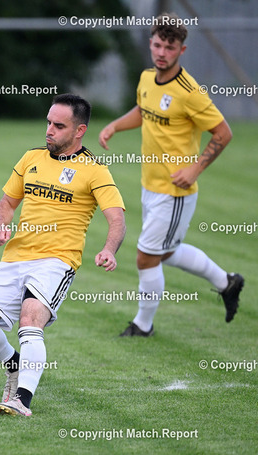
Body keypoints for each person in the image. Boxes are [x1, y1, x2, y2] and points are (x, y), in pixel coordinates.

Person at [0, 94, 126, 417]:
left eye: (59, 126)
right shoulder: (31, 158)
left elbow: (117, 218)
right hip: (15, 257)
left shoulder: (94, 171)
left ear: (79, 131)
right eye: (48, 122)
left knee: (30, 319)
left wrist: (109, 249)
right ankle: (14, 363)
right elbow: (7, 203)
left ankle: (21, 399)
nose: (49, 130)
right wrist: (1, 226)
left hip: (57, 261)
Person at [98, 12, 243, 337]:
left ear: (182, 50)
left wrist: (195, 169)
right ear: (151, 43)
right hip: (149, 185)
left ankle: (143, 325)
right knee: (166, 251)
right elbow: (144, 110)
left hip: (174, 192)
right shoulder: (147, 77)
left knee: (146, 257)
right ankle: (227, 282)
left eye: (170, 47)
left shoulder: (190, 92)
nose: (162, 52)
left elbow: (223, 133)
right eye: (158, 45)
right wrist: (115, 125)